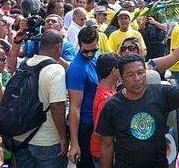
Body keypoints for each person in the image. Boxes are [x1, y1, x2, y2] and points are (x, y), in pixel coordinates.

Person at [12, 29, 68, 168]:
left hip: (21, 137)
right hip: (47, 141)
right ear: (58, 46)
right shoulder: (56, 69)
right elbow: (57, 106)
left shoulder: (26, 63)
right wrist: (62, 136)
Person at [67, 26, 101, 168]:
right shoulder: (77, 69)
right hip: (86, 126)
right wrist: (74, 143)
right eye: (85, 51)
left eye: (94, 50)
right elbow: (74, 107)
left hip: (98, 121)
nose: (89, 54)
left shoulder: (96, 56)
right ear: (79, 45)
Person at [91, 53, 120, 165]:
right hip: (103, 152)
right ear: (114, 71)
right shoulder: (106, 99)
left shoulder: (104, 88)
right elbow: (99, 131)